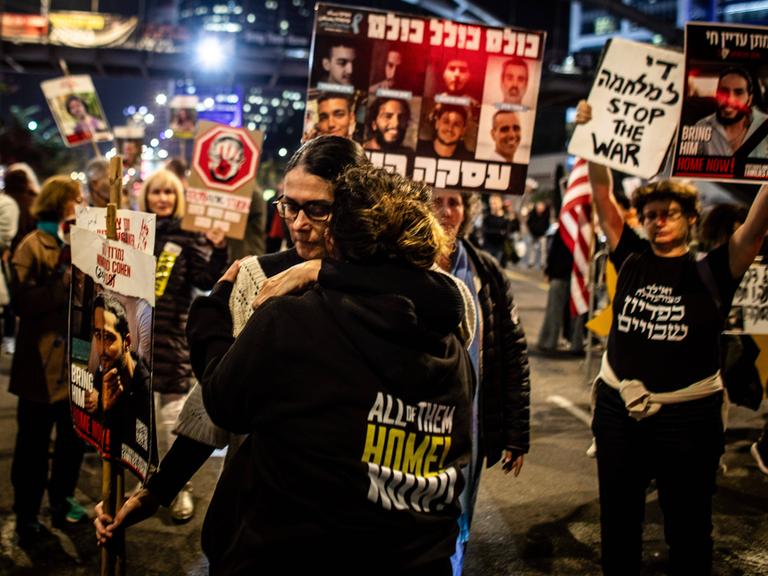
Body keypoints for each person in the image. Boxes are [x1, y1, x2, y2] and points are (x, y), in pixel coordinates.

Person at [92, 136, 369, 541]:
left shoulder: (397, 287)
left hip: (353, 523)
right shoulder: (255, 277)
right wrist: (157, 490)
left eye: (319, 209)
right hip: (256, 517)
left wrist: (323, 273)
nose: (298, 223)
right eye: (290, 206)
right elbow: (216, 401)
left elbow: (454, 303)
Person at [577, 99, 768, 575]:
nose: (660, 219)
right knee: (619, 525)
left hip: (691, 420)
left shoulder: (713, 272)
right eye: (652, 213)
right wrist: (593, 132)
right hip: (621, 413)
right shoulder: (632, 259)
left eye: (671, 212)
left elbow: (754, 229)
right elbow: (602, 196)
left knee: (688, 529)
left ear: (689, 219)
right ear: (641, 220)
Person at [431, 188, 530, 575]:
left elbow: (513, 352)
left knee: (458, 520)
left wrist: (515, 432)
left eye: (453, 202)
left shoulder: (485, 269)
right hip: (416, 419)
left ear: (466, 212)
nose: (444, 211)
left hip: (468, 424)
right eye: (435, 201)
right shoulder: (401, 262)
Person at [139, 168, 229, 521]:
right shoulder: (135, 233)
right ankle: (145, 483)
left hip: (171, 340)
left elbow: (205, 279)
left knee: (172, 420)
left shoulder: (189, 235)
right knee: (140, 419)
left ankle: (177, 487)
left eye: (169, 193)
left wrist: (219, 248)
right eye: (155, 192)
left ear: (178, 198)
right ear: (145, 196)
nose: (162, 198)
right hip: (138, 338)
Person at [9, 175, 87, 544]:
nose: (83, 202)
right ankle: (26, 514)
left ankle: (62, 501)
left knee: (72, 443)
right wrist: (65, 275)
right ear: (62, 203)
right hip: (38, 370)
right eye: (78, 198)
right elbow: (25, 303)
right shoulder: (32, 244)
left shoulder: (82, 244)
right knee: (32, 449)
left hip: (75, 364)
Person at [88, 293, 154, 473]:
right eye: (98, 336)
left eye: (109, 338)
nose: (101, 349)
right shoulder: (101, 375)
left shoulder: (142, 389)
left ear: (127, 342)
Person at [693, 67, 768, 156]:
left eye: (738, 93)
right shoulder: (701, 127)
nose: (730, 100)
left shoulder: (764, 124)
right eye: (724, 92)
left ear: (749, 99)